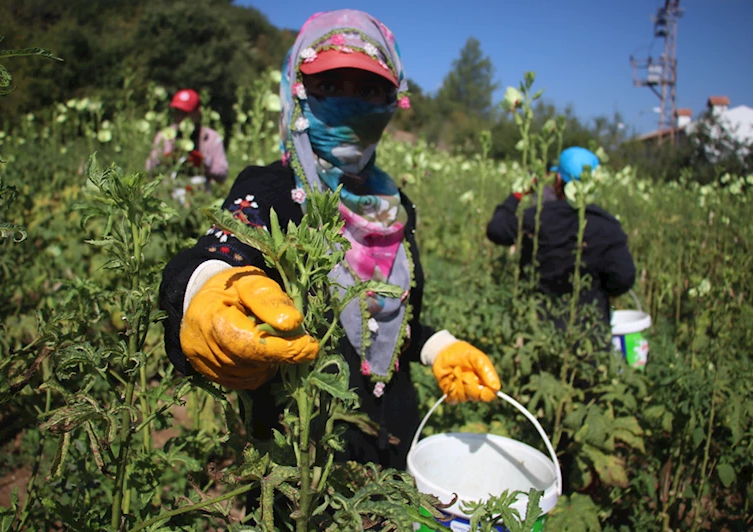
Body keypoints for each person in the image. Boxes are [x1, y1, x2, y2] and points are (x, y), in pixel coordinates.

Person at [159, 10, 502, 470]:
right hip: (302, 454)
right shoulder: (270, 189)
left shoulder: (395, 204)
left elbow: (394, 316)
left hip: (396, 440)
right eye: (329, 87)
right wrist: (205, 285)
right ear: (296, 92)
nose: (350, 104)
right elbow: (218, 253)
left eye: (368, 91)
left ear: (392, 99)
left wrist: (437, 346)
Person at [486, 146, 636, 332]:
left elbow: (496, 229)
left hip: (538, 328)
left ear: (558, 180)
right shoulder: (609, 226)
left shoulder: (537, 218)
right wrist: (595, 293)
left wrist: (516, 195)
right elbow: (623, 278)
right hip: (588, 331)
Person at [146, 88, 229, 189]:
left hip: (199, 191)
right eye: (177, 112)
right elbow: (149, 168)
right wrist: (164, 160)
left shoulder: (211, 137)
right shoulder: (165, 135)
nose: (180, 117)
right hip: (170, 189)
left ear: (197, 113)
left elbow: (223, 172)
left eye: (185, 113)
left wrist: (204, 165)